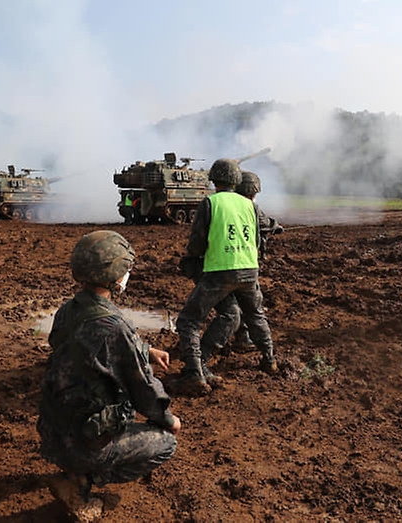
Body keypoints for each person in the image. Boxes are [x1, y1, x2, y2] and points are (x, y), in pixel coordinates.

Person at [37, 230, 180, 521]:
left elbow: (82, 343)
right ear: (115, 275)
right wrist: (168, 419)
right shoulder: (114, 326)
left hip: (51, 431)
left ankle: (76, 469)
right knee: (166, 443)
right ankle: (82, 484)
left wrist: (143, 349)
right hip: (81, 443)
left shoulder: (68, 310)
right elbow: (145, 392)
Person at [173, 159, 278, 397]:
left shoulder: (210, 203)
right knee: (249, 314)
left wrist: (193, 260)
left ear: (213, 179)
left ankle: (193, 373)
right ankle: (270, 359)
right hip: (250, 270)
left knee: (188, 321)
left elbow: (197, 243)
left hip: (219, 271)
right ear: (236, 180)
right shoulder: (249, 205)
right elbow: (263, 228)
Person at [199, 171, 283, 356]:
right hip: (245, 264)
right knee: (251, 308)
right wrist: (275, 226)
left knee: (235, 306)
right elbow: (266, 223)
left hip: (221, 265)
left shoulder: (225, 203)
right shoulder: (249, 207)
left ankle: (241, 338)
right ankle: (260, 350)